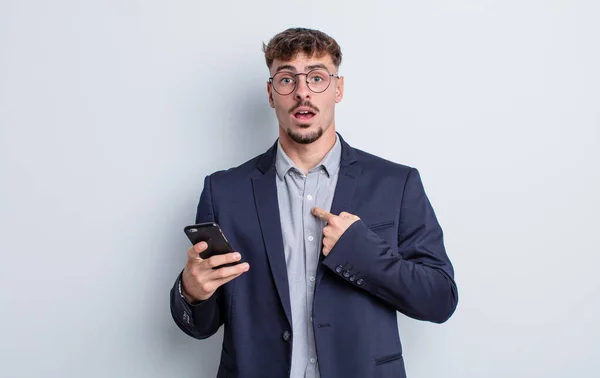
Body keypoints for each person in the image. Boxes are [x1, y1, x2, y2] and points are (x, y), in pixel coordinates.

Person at [170, 27, 458, 378]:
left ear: (338, 89)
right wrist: (192, 292)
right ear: (271, 93)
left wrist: (362, 252)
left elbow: (440, 299)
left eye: (317, 77)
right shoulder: (224, 191)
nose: (302, 92)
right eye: (287, 79)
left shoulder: (396, 184)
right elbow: (201, 325)